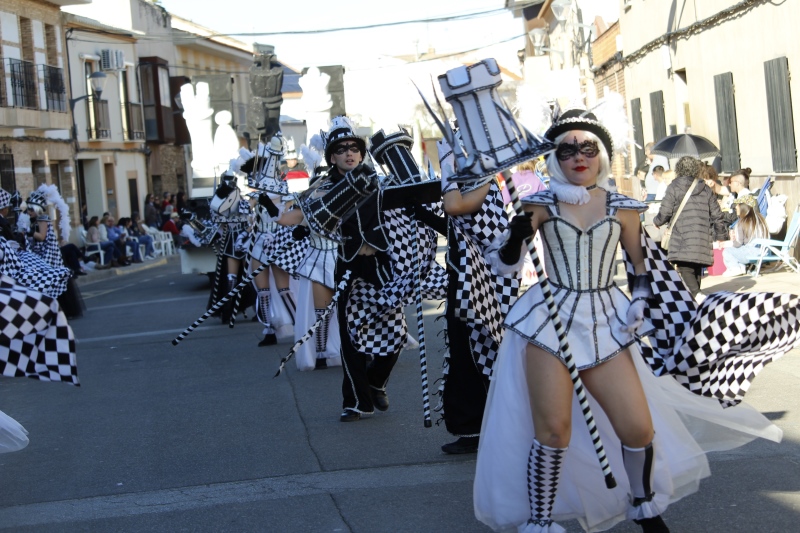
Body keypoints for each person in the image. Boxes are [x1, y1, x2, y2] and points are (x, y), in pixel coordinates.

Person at [474, 109, 785, 533]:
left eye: (588, 148)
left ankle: (644, 506)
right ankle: (540, 521)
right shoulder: (539, 204)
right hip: (549, 323)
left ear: (602, 155)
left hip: (606, 323)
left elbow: (639, 267)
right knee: (554, 432)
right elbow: (507, 263)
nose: (578, 157)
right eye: (567, 150)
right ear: (555, 158)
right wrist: (515, 236)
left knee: (638, 429)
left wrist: (639, 301)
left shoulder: (623, 208)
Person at [653, 156, 727, 298]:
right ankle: (696, 297)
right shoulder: (705, 188)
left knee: (685, 266)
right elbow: (717, 214)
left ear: (678, 170)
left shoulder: (673, 187)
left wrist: (657, 221)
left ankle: (697, 294)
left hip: (681, 235)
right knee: (696, 265)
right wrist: (721, 235)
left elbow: (665, 211)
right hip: (701, 234)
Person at [722, 195, 769, 277]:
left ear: (743, 207)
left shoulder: (742, 222)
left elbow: (738, 243)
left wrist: (731, 242)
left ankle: (735, 268)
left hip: (752, 253)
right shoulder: (760, 218)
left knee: (727, 251)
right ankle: (742, 268)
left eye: (737, 205)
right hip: (765, 253)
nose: (736, 207)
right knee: (741, 250)